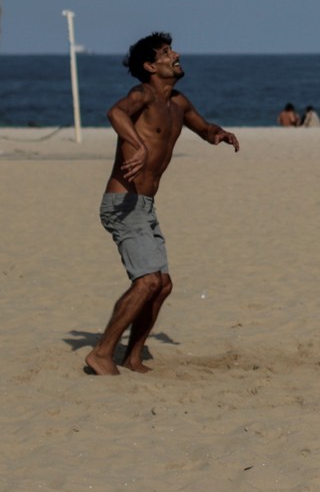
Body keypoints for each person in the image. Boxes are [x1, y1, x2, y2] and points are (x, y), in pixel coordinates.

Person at [85, 33, 238, 376]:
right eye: (167, 53)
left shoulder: (178, 103)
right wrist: (136, 144)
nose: (176, 55)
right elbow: (115, 113)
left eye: (172, 50)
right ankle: (101, 353)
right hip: (122, 203)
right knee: (148, 282)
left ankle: (133, 357)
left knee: (163, 285)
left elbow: (205, 128)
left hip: (145, 206)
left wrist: (219, 134)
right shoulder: (143, 95)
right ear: (151, 66)